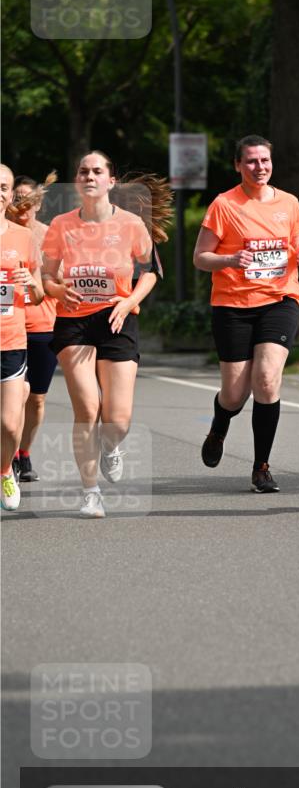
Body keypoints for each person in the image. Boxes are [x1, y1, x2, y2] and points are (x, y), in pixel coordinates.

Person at [41, 151, 171, 518]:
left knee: (118, 418)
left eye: (97, 171)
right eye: (83, 171)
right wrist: (56, 291)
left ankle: (111, 447)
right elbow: (46, 278)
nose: (89, 176)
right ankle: (90, 491)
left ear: (111, 181)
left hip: (117, 318)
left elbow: (149, 273)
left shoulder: (131, 224)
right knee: (87, 408)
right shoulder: (61, 225)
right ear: (77, 180)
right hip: (74, 320)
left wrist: (129, 301)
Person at [193, 134, 299, 492]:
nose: (259, 167)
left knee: (265, 379)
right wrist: (230, 259)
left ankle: (261, 466)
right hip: (233, 306)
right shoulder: (224, 204)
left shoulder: (289, 203)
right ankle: (218, 428)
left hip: (280, 300)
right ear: (237, 165)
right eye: (251, 161)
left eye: (264, 160)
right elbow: (200, 257)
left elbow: (296, 245)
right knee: (233, 395)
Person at [0, 164, 44, 511]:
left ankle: (5, 469)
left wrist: (32, 285)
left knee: (10, 424)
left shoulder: (23, 237)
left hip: (11, 339)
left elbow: (40, 293)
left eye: (3, 187)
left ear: (11, 194)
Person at [8, 173, 58, 482]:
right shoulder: (5, 233)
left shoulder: (50, 235)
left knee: (36, 398)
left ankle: (24, 454)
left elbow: (59, 282)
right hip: (10, 328)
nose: (24, 204)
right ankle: (8, 454)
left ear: (39, 203)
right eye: (18, 198)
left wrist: (42, 283)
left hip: (43, 326)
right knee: (13, 397)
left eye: (30, 198)